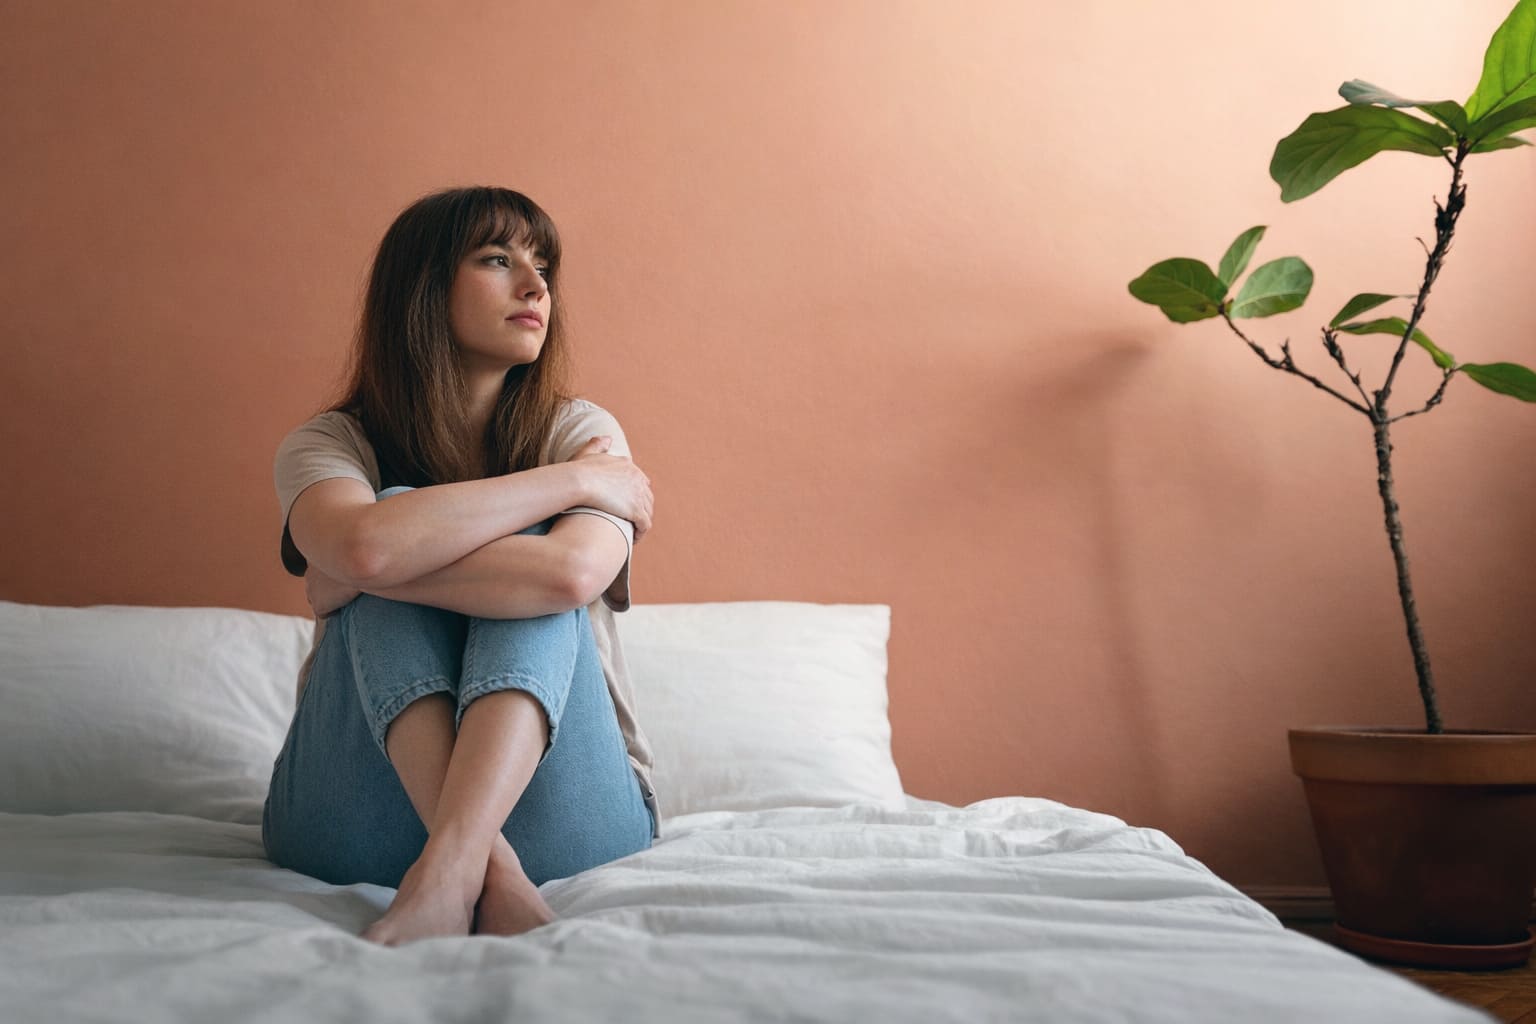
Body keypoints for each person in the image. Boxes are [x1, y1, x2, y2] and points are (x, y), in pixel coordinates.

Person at [263, 186, 659, 946]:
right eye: (497, 259)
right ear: (422, 288)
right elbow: (370, 545)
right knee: (399, 513)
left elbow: (567, 576)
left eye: (543, 265)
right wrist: (573, 482)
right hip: (348, 821)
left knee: (408, 533)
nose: (536, 286)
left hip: (570, 818)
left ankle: (450, 869)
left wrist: (356, 569)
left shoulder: (580, 428)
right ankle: (484, 868)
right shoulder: (327, 446)